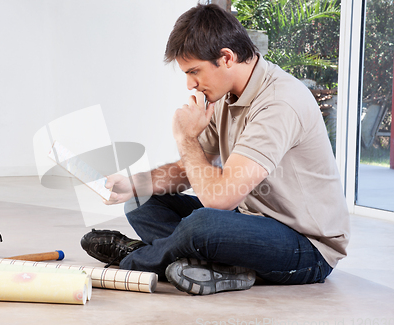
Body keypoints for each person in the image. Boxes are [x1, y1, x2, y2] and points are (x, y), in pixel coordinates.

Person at [80, 4, 350, 295]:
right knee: (140, 202)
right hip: (249, 221)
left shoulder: (279, 102)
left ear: (226, 57)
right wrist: (135, 183)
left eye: (194, 71)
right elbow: (195, 170)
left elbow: (218, 199)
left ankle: (137, 258)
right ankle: (203, 265)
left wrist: (185, 138)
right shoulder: (224, 95)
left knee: (204, 224)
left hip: (307, 247)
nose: (189, 84)